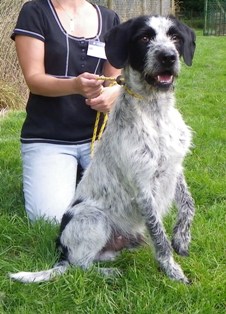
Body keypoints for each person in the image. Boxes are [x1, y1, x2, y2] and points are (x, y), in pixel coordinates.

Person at [11, 0, 121, 223]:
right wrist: (75, 86)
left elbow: (117, 79)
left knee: (121, 215)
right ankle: (67, 176)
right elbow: (34, 80)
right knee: (50, 220)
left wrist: (113, 94)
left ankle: (77, 177)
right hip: (48, 136)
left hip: (99, 139)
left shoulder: (109, 18)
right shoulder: (35, 12)